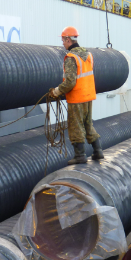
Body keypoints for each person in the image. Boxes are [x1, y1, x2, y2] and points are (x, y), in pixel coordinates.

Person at [50, 27, 104, 164]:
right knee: (87, 123)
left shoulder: (71, 57)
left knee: (75, 126)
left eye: (63, 40)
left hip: (77, 97)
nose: (63, 43)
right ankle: (98, 151)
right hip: (88, 95)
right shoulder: (88, 55)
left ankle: (80, 155)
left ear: (68, 40)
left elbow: (70, 82)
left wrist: (56, 91)